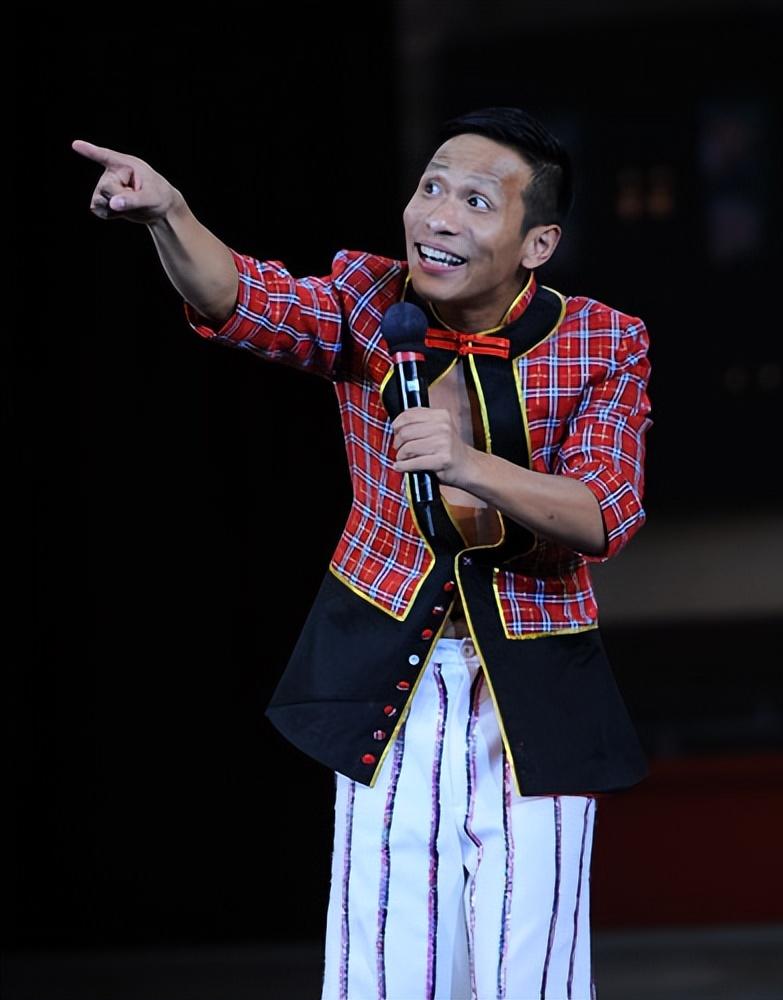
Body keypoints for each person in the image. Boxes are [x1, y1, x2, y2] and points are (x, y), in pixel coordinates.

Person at [73, 106, 652, 1000]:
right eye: (431, 188)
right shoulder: (369, 300)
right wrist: (169, 214)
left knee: (531, 969)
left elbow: (607, 510)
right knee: (382, 968)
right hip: (388, 677)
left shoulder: (601, 341)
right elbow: (243, 299)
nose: (439, 217)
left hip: (534, 692)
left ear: (537, 243)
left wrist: (467, 462)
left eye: (475, 201)